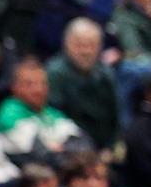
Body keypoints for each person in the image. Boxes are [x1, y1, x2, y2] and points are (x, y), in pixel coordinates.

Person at [0, 57, 86, 161]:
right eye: (29, 84)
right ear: (15, 87)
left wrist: (59, 150)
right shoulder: (9, 113)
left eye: (42, 83)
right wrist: (62, 150)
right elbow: (41, 154)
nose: (38, 90)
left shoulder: (52, 113)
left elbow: (84, 145)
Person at [47, 19, 118, 152]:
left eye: (91, 45)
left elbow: (115, 117)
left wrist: (110, 147)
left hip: (103, 148)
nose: (86, 51)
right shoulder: (55, 73)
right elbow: (55, 118)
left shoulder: (106, 74)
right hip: (71, 147)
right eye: (79, 45)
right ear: (67, 45)